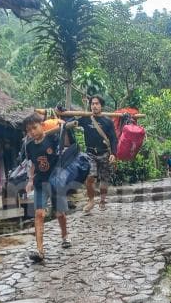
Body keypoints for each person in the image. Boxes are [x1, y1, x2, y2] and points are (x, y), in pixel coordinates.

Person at [23, 113, 71, 263]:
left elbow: (67, 144)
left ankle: (65, 236)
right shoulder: (29, 146)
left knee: (60, 214)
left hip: (56, 180)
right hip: (40, 182)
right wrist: (30, 180)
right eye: (28, 130)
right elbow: (32, 164)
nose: (32, 132)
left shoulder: (53, 138)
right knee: (39, 214)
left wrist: (64, 127)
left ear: (42, 125)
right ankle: (40, 250)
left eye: (34, 128)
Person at [71, 95, 118, 212]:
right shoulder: (86, 119)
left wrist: (114, 153)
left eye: (97, 103)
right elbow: (71, 122)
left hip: (104, 153)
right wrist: (61, 113)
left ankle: (102, 200)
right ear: (90, 106)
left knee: (104, 179)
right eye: (92, 104)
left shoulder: (107, 121)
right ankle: (91, 201)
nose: (94, 106)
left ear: (101, 106)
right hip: (90, 153)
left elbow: (113, 138)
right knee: (90, 177)